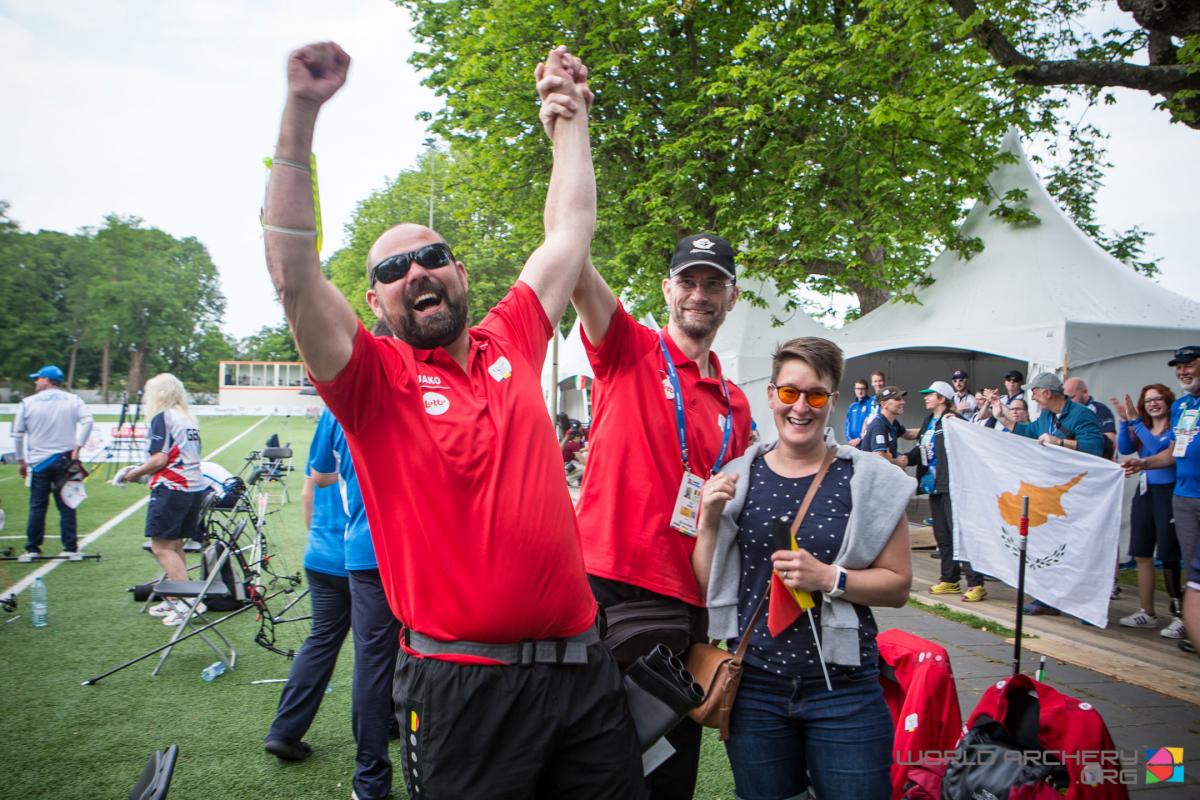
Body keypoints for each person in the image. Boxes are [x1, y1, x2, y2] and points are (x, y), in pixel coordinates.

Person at [262, 42, 643, 798]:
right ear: (375, 303)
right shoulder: (373, 380)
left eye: (431, 256)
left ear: (460, 274)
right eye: (391, 271)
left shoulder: (513, 337)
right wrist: (301, 114)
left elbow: (569, 232)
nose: (415, 273)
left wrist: (570, 118)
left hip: (583, 674)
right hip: (462, 690)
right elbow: (293, 272)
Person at [567, 230, 752, 799]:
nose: (700, 294)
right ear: (667, 288)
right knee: (591, 754)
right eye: (689, 281)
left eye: (713, 284)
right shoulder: (629, 348)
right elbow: (573, 262)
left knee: (669, 763)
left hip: (687, 600)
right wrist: (570, 143)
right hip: (607, 586)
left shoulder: (736, 402)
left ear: (732, 297)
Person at [692, 336, 913, 800]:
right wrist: (709, 522)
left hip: (845, 689)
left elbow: (897, 585)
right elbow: (706, 583)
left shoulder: (869, 480)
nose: (801, 408)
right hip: (755, 688)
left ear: (833, 401)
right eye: (790, 393)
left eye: (815, 395)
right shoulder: (737, 476)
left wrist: (829, 578)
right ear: (771, 395)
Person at [264, 411, 352, 764]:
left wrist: (318, 539)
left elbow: (308, 492)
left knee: (320, 642)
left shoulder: (329, 424)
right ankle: (387, 722)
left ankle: (284, 731)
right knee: (377, 648)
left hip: (322, 555)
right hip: (363, 557)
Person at [114, 373, 207, 626]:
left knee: (161, 547)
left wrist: (134, 474)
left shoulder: (163, 417)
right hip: (192, 487)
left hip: (172, 488)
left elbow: (159, 459)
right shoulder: (188, 417)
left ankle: (190, 602)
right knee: (174, 545)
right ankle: (179, 597)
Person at [1124, 345, 1200, 654]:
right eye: (1178, 367)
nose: (1183, 371)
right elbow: (1172, 452)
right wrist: (1143, 463)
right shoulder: (1182, 407)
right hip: (1183, 497)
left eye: (1189, 365)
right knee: (1193, 565)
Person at [1113, 385, 1182, 636]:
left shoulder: (1174, 427)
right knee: (1141, 551)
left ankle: (1180, 614)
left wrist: (1135, 422)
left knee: (1168, 553)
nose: (1153, 404)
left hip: (1168, 492)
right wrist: (1124, 422)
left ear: (1168, 401)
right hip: (1145, 492)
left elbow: (1157, 451)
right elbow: (1126, 447)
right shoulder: (1142, 425)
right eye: (1148, 400)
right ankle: (1147, 611)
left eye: (1158, 399)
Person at [909, 381, 986, 602]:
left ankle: (975, 582)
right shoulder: (928, 420)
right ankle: (950, 579)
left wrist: (961, 424)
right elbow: (921, 448)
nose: (925, 397)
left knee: (959, 533)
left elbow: (971, 444)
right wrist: (905, 458)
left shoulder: (953, 420)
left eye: (930, 394)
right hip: (932, 485)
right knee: (942, 534)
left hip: (951, 485)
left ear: (942, 398)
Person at [13, 365, 93, 561]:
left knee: (37, 506)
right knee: (67, 503)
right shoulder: (73, 400)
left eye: (38, 378)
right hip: (65, 459)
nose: (36, 381)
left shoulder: (28, 402)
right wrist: (78, 446)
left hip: (38, 461)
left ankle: (32, 548)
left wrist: (21, 460)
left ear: (47, 380)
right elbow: (88, 421)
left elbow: (17, 433)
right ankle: (70, 548)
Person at [990, 372, 1104, 456]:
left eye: (1034, 393)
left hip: (1075, 482)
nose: (1032, 398)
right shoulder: (1046, 414)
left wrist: (1058, 442)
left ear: (1047, 393)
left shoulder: (1082, 414)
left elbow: (1095, 447)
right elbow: (1027, 431)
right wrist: (1001, 418)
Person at [859, 385, 915, 466]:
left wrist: (929, 428)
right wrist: (897, 462)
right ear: (884, 404)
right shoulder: (879, 426)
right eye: (897, 399)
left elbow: (909, 434)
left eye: (901, 398)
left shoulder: (892, 422)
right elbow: (879, 458)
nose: (903, 402)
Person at [1064, 377, 1117, 460]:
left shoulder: (1100, 410)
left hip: (1096, 462)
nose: (1068, 402)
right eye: (1066, 398)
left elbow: (1110, 442)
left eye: (1072, 397)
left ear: (1085, 393)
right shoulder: (1065, 412)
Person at [843, 378, 872, 447]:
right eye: (858, 389)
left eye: (862, 389)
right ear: (855, 390)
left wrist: (860, 439)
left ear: (867, 390)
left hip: (866, 444)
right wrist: (850, 440)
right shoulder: (852, 406)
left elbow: (871, 424)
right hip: (853, 444)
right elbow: (847, 425)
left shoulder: (871, 404)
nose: (860, 391)